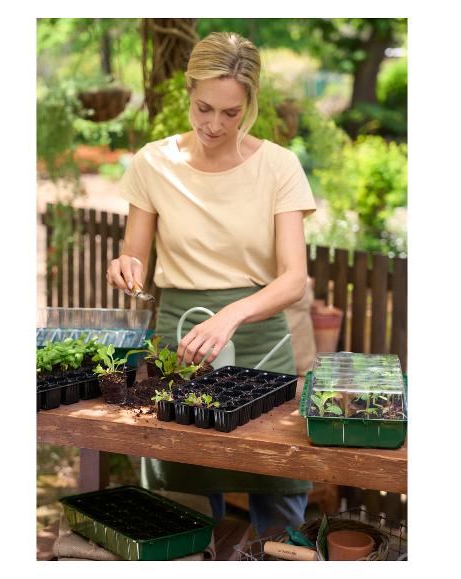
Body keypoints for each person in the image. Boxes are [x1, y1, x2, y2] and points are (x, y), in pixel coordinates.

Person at [106, 31, 317, 536]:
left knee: (281, 509)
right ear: (188, 89)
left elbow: (293, 278)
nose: (214, 125)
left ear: (250, 104)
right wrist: (126, 265)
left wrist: (232, 314)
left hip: (260, 341)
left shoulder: (278, 167)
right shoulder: (153, 163)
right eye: (204, 108)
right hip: (181, 345)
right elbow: (134, 251)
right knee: (179, 512)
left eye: (231, 113)